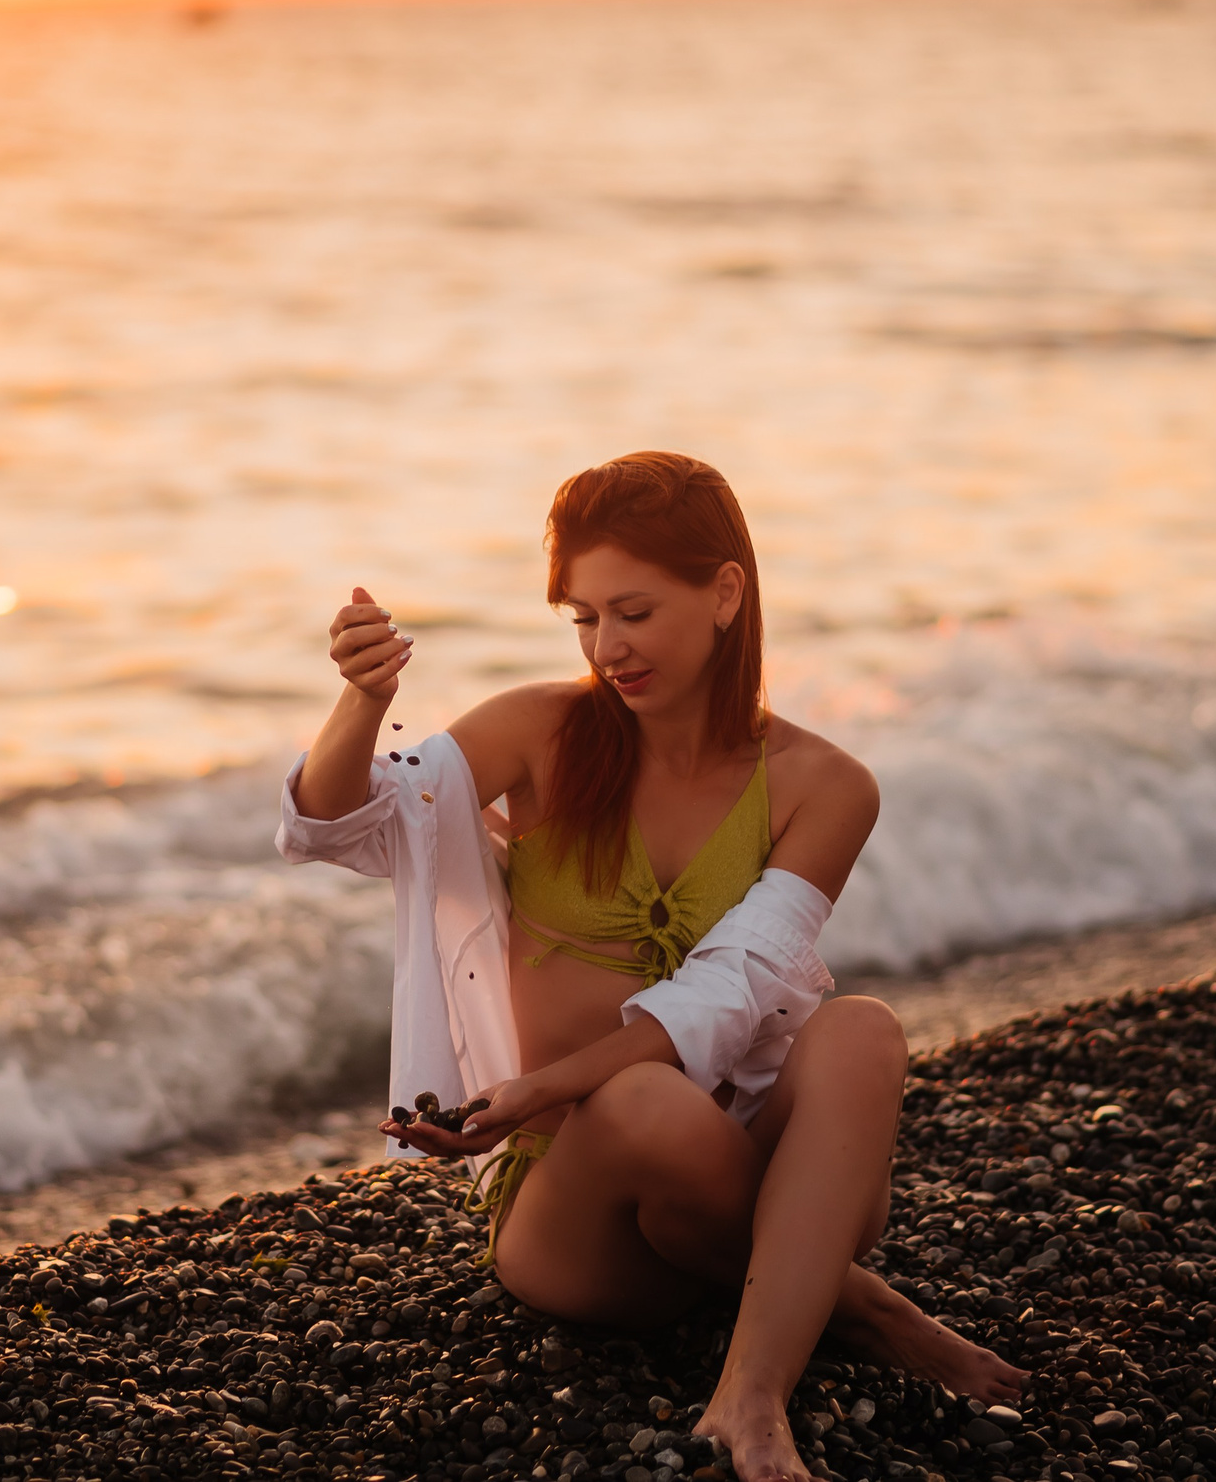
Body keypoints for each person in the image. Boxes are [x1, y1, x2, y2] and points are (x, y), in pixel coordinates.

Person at [277, 452, 1025, 1482]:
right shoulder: (538, 732)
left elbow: (738, 980)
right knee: (639, 1102)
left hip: (741, 1166)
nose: (606, 646)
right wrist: (363, 700)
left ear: (724, 592)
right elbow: (338, 826)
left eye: (631, 611)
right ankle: (862, 1305)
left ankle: (748, 1395)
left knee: (863, 1028)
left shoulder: (825, 783)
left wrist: (540, 1077)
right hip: (577, 1211)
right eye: (582, 617)